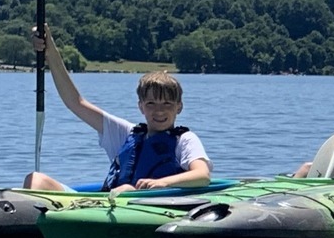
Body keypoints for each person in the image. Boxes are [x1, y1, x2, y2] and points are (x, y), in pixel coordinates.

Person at [22, 27, 211, 195]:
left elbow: (202, 175)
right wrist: (50, 51)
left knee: (127, 189)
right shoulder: (126, 134)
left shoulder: (185, 140)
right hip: (106, 206)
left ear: (179, 107)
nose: (159, 111)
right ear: (141, 106)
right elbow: (76, 103)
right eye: (151, 103)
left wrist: (162, 183)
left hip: (151, 208)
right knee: (35, 179)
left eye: (167, 104)